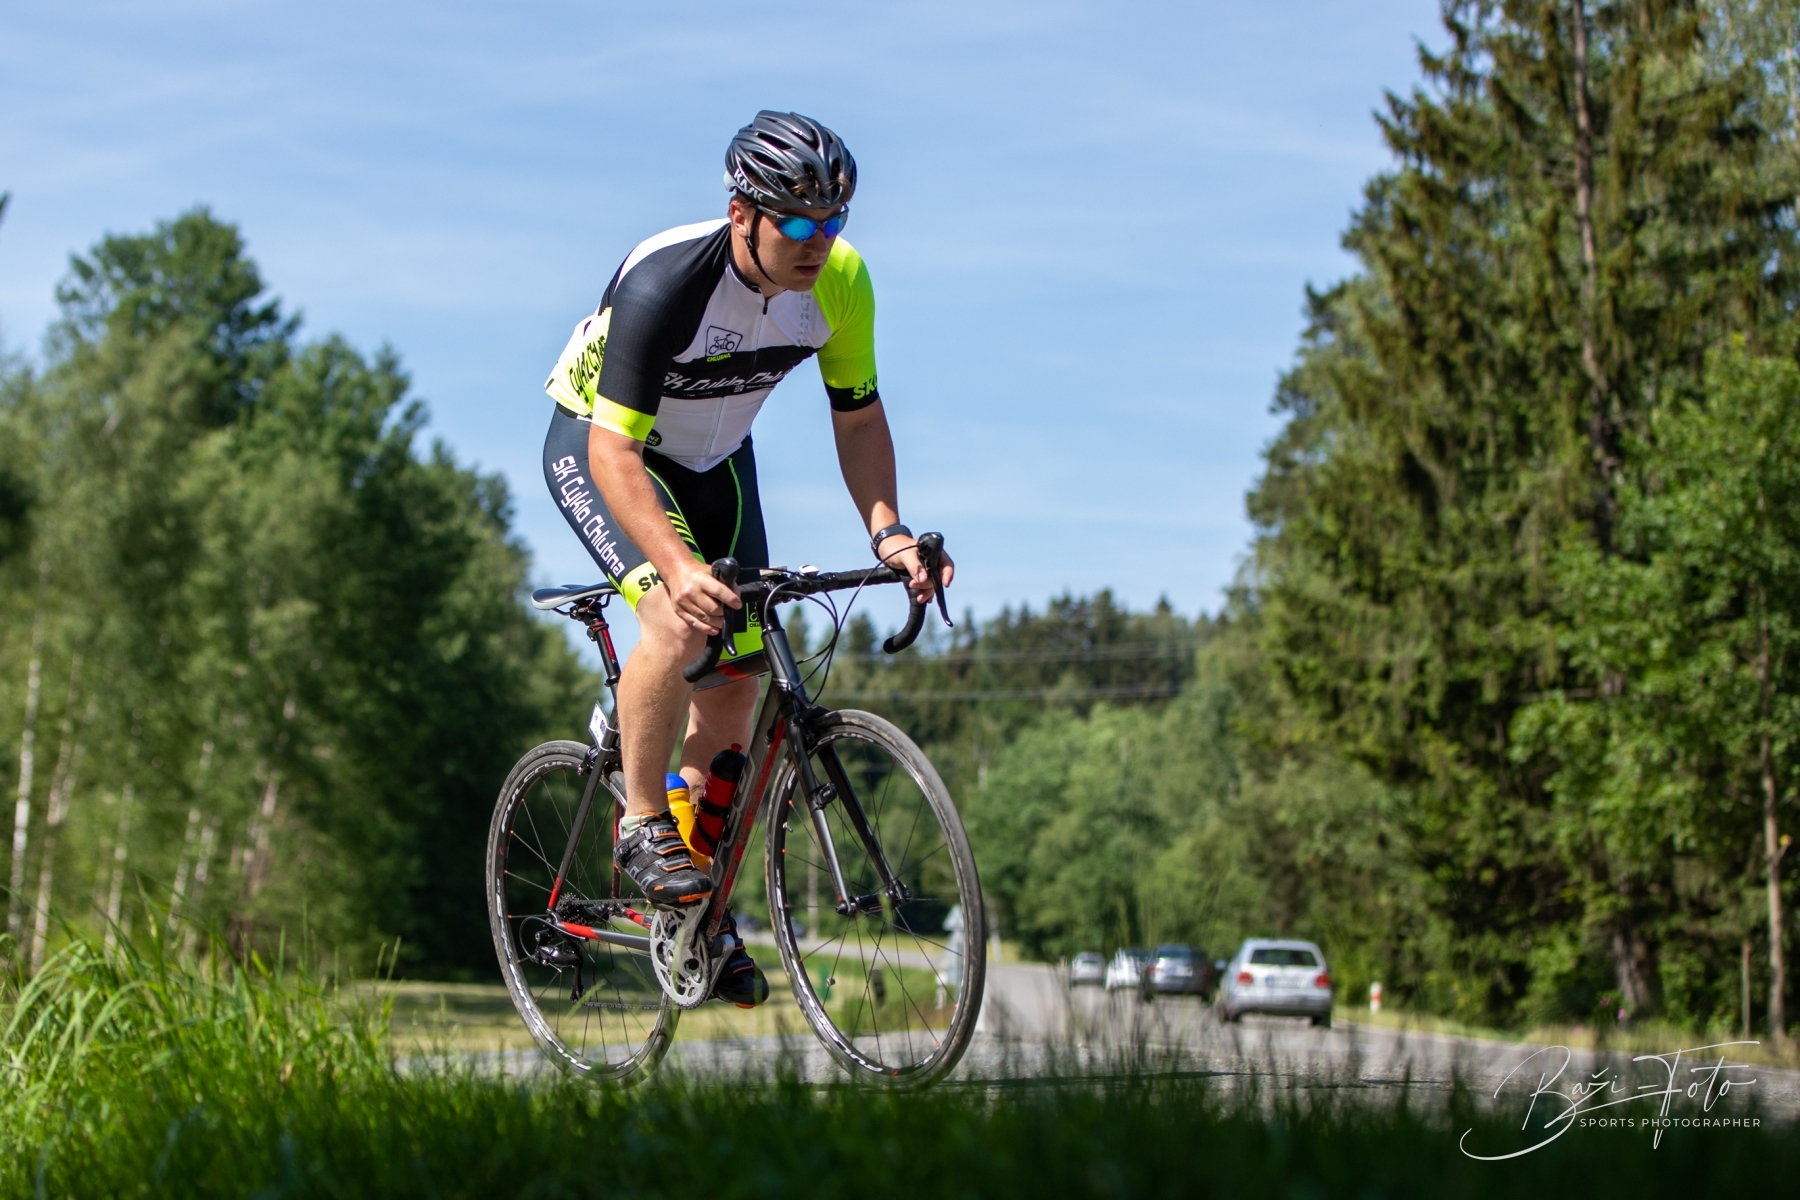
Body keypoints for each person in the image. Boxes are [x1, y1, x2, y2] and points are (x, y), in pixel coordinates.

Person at [541, 111, 951, 1007]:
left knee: (735, 686)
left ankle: (696, 914)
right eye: (796, 221)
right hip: (608, 451)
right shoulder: (667, 280)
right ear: (742, 214)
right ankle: (640, 821)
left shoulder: (841, 282)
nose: (817, 241)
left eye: (833, 221)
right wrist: (674, 569)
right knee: (674, 616)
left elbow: (859, 418)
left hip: (719, 463)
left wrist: (888, 531)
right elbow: (613, 452)